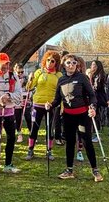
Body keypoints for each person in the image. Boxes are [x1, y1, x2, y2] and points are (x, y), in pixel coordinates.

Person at [45, 54, 104, 182]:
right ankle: (69, 170)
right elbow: (57, 99)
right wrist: (50, 104)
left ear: (77, 65)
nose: (71, 65)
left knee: (87, 142)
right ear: (64, 65)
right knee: (70, 143)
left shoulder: (82, 77)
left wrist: (92, 107)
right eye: (68, 63)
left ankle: (95, 170)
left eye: (73, 63)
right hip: (68, 115)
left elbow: (92, 95)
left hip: (82, 114)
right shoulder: (61, 80)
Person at [24, 51, 61, 160]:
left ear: (56, 63)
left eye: (52, 61)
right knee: (34, 127)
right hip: (37, 104)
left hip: (51, 105)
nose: (50, 63)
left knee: (50, 129)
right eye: (48, 60)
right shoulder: (39, 72)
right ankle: (30, 150)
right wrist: (30, 80)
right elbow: (29, 88)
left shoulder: (59, 75)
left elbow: (61, 92)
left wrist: (60, 105)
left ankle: (49, 151)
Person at [14, 63, 31, 142]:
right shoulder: (13, 79)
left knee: (28, 117)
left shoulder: (26, 78)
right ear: (15, 71)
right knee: (18, 118)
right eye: (19, 72)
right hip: (17, 101)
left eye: (22, 72)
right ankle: (19, 134)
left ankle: (31, 133)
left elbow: (30, 88)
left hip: (25, 100)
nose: (20, 74)